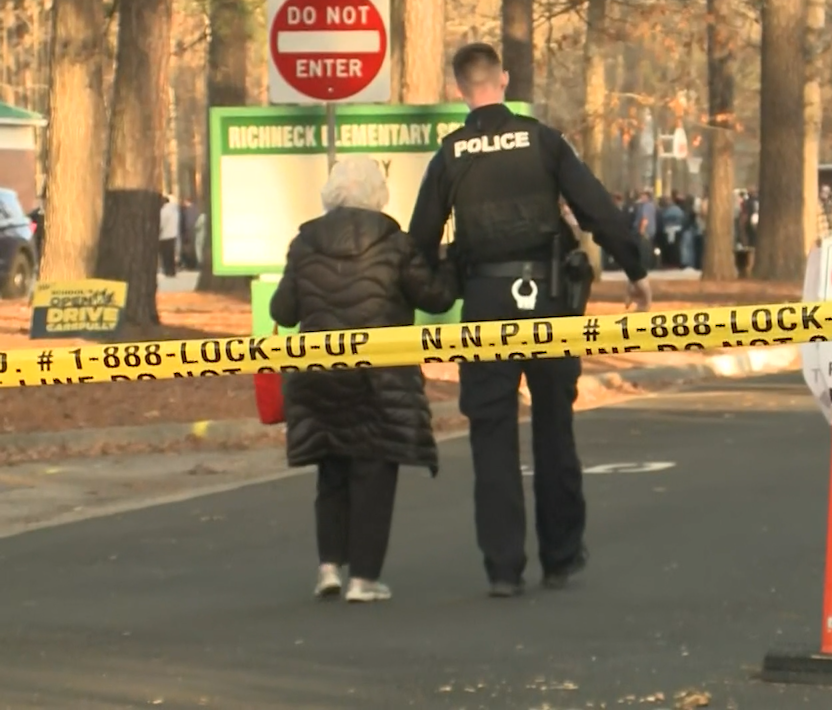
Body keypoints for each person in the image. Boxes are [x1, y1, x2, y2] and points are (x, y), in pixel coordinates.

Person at [406, 43, 652, 598]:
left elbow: (419, 240)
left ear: (458, 91)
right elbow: (597, 209)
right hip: (549, 302)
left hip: (487, 302)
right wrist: (635, 270)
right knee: (553, 428)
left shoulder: (450, 155)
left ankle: (502, 568)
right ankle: (561, 556)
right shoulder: (543, 141)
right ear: (506, 80)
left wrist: (433, 287)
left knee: (492, 434)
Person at [270, 156, 457, 603]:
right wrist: (450, 263)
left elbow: (283, 311)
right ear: (378, 194)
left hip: (319, 372)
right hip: (381, 374)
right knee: (374, 468)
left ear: (332, 193)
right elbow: (434, 297)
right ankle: (364, 579)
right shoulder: (395, 242)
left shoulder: (304, 242)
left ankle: (329, 567)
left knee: (331, 468)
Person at [158, 196, 180, 278]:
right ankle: (172, 270)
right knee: (171, 254)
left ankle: (167, 270)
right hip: (173, 234)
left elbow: (161, 224)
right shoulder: (174, 211)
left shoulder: (163, 211)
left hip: (164, 236)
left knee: (165, 255)